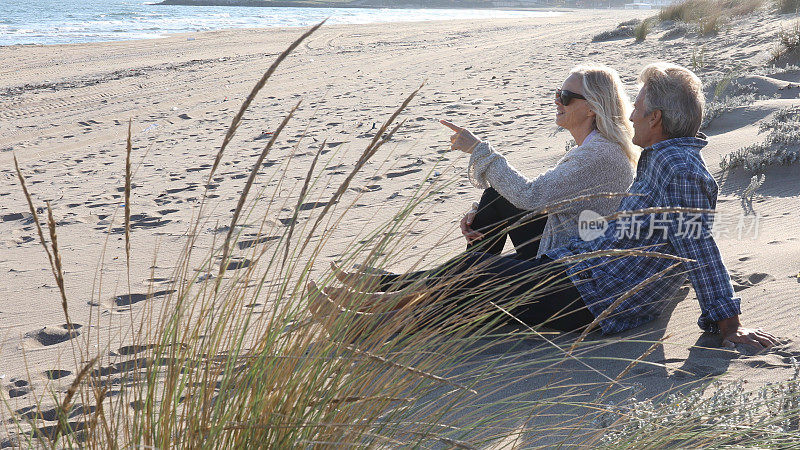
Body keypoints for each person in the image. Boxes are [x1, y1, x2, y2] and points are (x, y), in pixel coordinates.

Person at [309, 62, 780, 351]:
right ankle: (376, 303)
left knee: (485, 281)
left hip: (601, 300)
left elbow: (698, 247)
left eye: (637, 109)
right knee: (485, 275)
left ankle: (369, 323)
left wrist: (728, 324)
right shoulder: (664, 159)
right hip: (590, 273)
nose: (631, 115)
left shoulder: (679, 170)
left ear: (655, 118)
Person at [451, 64, 638, 260]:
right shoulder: (596, 148)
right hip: (565, 241)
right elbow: (545, 194)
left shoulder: (598, 155)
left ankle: (465, 282)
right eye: (557, 94)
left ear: (592, 107)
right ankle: (467, 279)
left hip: (569, 263)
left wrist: (479, 150)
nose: (557, 102)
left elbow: (531, 195)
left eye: (565, 97)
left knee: (475, 265)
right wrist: (479, 211)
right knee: (495, 196)